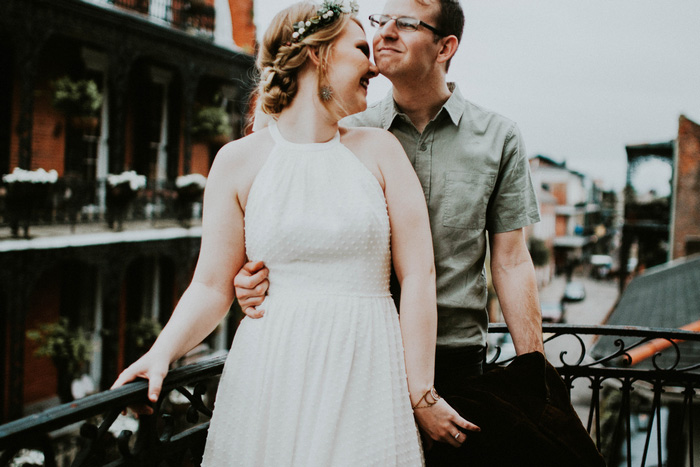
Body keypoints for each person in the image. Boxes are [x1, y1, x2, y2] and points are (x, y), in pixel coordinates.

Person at [112, 1, 478, 465]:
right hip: (270, 377)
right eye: (360, 48)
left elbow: (420, 276)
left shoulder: (380, 151)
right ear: (317, 55)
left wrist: (420, 392)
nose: (374, 65)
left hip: (364, 373)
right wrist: (161, 352)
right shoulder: (237, 162)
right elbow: (210, 286)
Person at [235, 0, 545, 463]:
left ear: (446, 46)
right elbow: (295, 223)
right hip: (360, 356)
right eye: (380, 22)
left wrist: (533, 375)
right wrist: (250, 279)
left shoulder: (498, 136)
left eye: (405, 23)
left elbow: (512, 260)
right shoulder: (343, 128)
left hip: (456, 360)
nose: (383, 34)